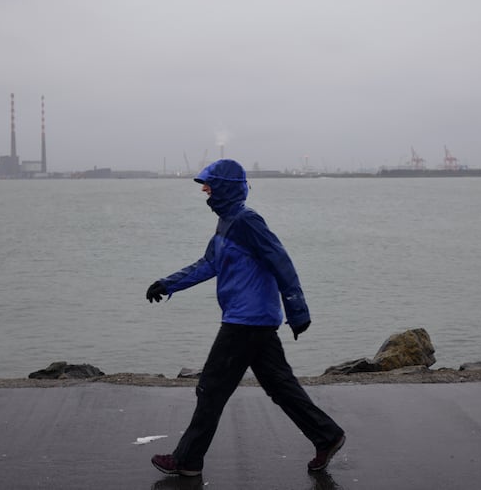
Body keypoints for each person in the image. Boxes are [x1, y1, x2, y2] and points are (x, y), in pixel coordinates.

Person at [146, 159, 345, 477]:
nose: (204, 190)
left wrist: (298, 311)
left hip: (245, 321)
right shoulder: (227, 222)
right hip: (254, 321)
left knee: (211, 388)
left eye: (209, 184)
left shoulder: (248, 222)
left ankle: (187, 460)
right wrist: (168, 283)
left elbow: (282, 262)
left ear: (224, 187)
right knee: (280, 386)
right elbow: (208, 263)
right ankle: (327, 435)